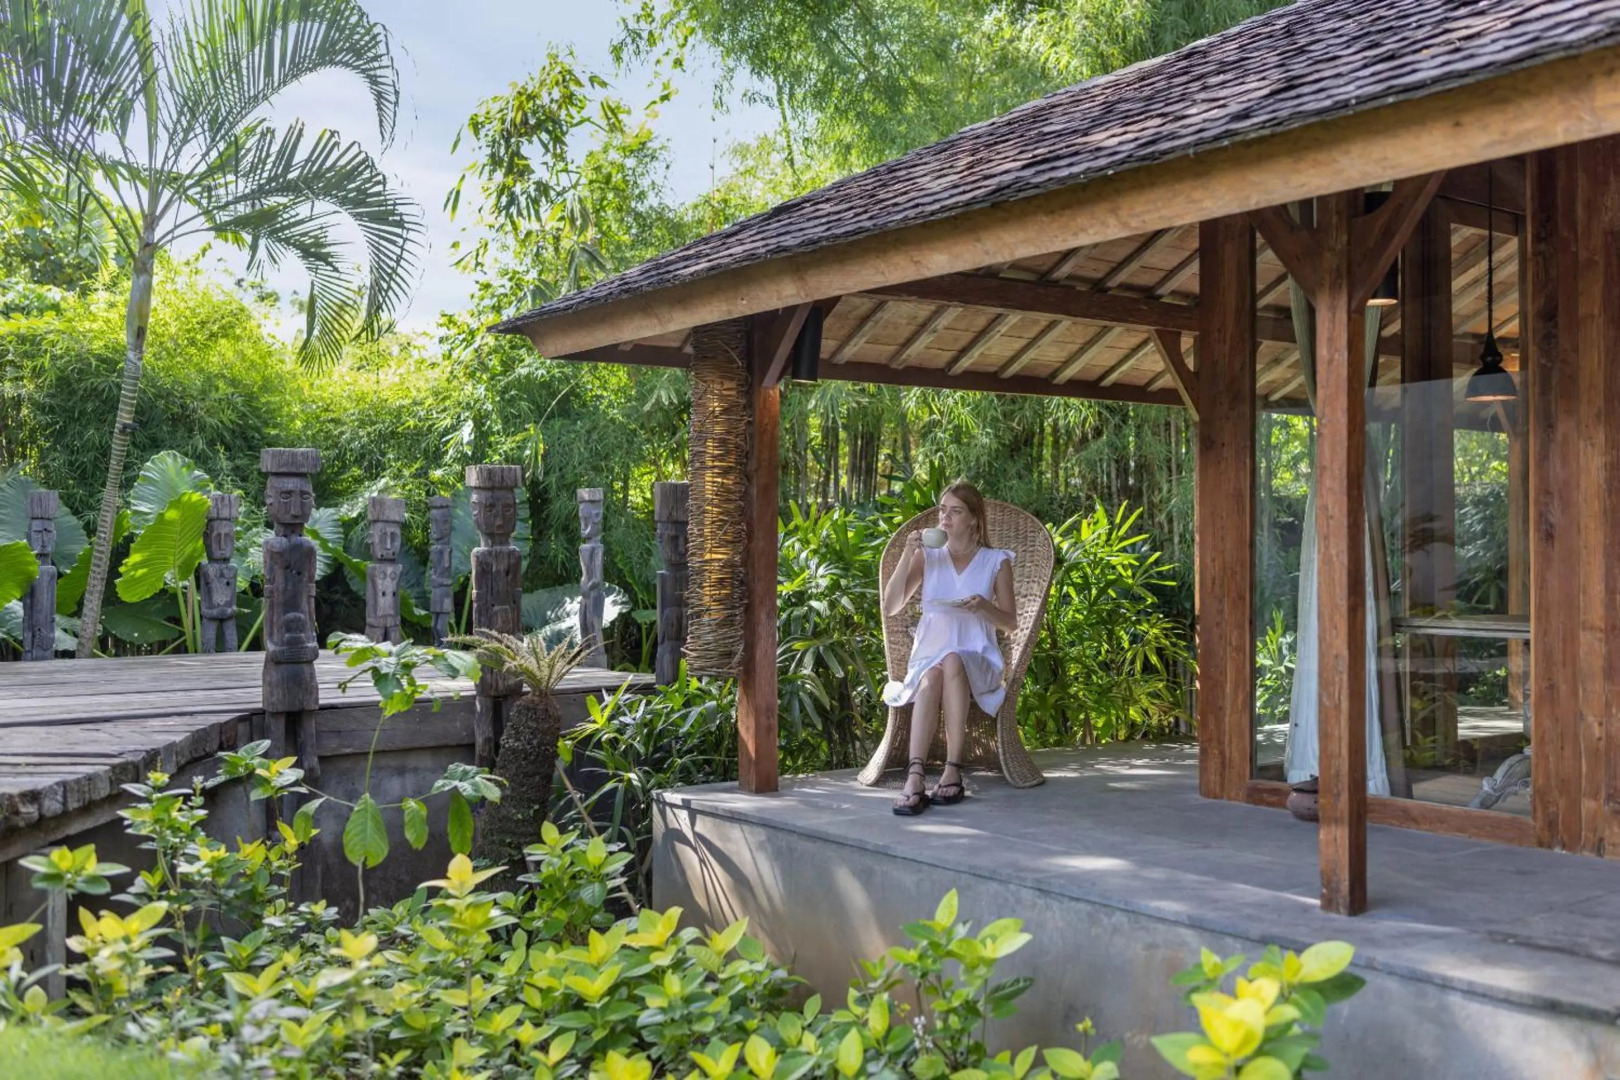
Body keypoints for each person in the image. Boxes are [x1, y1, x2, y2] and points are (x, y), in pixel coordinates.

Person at [880, 480, 1018, 815]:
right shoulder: (928, 557)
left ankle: (953, 768)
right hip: (931, 653)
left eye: (955, 512)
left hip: (979, 656)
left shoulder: (996, 561)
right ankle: (915, 776)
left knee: (953, 659)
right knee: (933, 673)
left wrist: (984, 606)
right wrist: (907, 554)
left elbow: (1010, 623)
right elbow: (891, 606)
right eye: (943, 510)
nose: (945, 518)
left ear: (974, 519)